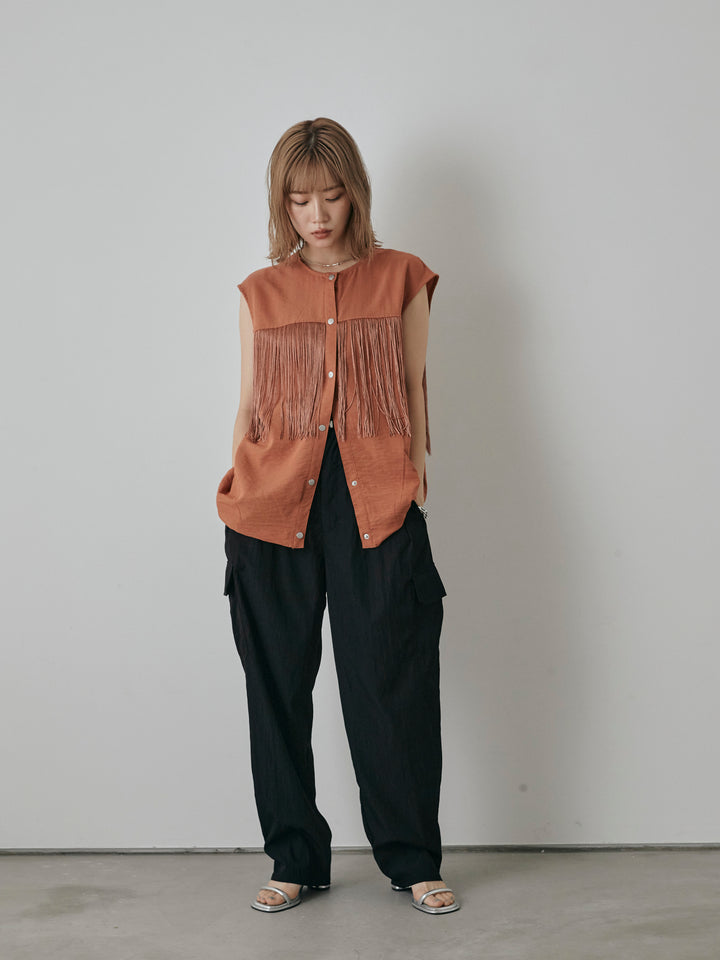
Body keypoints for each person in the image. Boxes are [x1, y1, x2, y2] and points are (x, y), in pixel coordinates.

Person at [216, 118, 459, 916]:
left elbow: (415, 386)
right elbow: (249, 402)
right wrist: (236, 479)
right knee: (276, 692)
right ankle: (295, 858)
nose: (316, 215)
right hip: (270, 509)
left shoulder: (402, 278)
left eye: (331, 196)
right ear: (281, 203)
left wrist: (413, 481)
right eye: (298, 200)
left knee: (392, 685)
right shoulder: (260, 292)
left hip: (377, 504)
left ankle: (412, 859)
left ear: (355, 194)